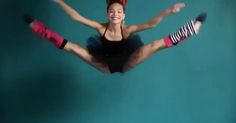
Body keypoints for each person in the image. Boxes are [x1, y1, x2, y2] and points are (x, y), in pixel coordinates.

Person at [24, 0, 207, 74]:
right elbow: (76, 17)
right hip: (105, 65)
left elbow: (152, 24)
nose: (115, 14)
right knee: (73, 47)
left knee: (153, 46)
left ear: (124, 15)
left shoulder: (127, 30)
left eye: (119, 12)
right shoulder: (100, 27)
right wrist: (58, 1)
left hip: (127, 61)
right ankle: (39, 29)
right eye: (112, 11)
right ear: (107, 14)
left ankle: (190, 29)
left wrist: (169, 11)